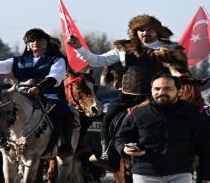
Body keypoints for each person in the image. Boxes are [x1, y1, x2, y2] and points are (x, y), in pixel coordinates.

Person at [67, 15, 190, 167]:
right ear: (135, 32)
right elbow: (97, 61)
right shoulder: (124, 49)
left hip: (158, 98)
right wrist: (78, 47)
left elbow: (180, 74)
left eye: (149, 29)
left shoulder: (170, 50)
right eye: (141, 30)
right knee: (109, 115)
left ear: (157, 31)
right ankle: (107, 154)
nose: (145, 33)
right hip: (128, 97)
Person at [0, 28, 74, 156]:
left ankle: (66, 145)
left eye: (39, 40)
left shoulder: (57, 59)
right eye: (31, 40)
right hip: (21, 92)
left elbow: (55, 76)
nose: (35, 43)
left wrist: (39, 87)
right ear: (27, 44)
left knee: (65, 112)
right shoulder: (17, 60)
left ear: (46, 42)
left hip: (48, 92)